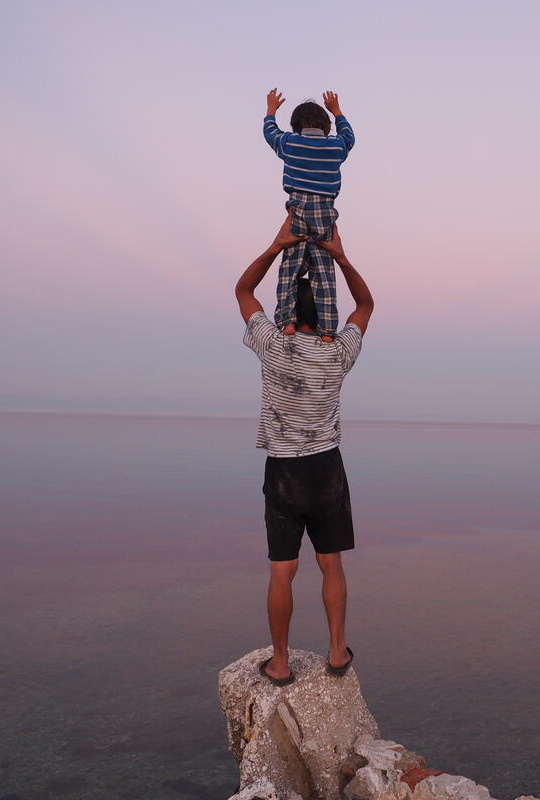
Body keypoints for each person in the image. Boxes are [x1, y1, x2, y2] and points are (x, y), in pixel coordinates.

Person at [235, 214, 374, 685]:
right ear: (326, 315)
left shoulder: (274, 345)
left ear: (287, 312)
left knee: (283, 569)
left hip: (285, 472)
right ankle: (337, 651)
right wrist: (340, 257)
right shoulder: (338, 352)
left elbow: (243, 290)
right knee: (331, 563)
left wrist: (277, 246)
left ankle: (280, 662)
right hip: (327, 469)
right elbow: (366, 304)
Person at [263, 88, 356, 341]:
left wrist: (271, 110)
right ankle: (327, 331)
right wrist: (337, 111)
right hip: (325, 215)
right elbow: (349, 138)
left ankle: (287, 321)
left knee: (289, 271)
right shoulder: (336, 147)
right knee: (324, 275)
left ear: (295, 127)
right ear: (327, 127)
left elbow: (270, 134)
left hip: (298, 213)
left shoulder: (290, 143)